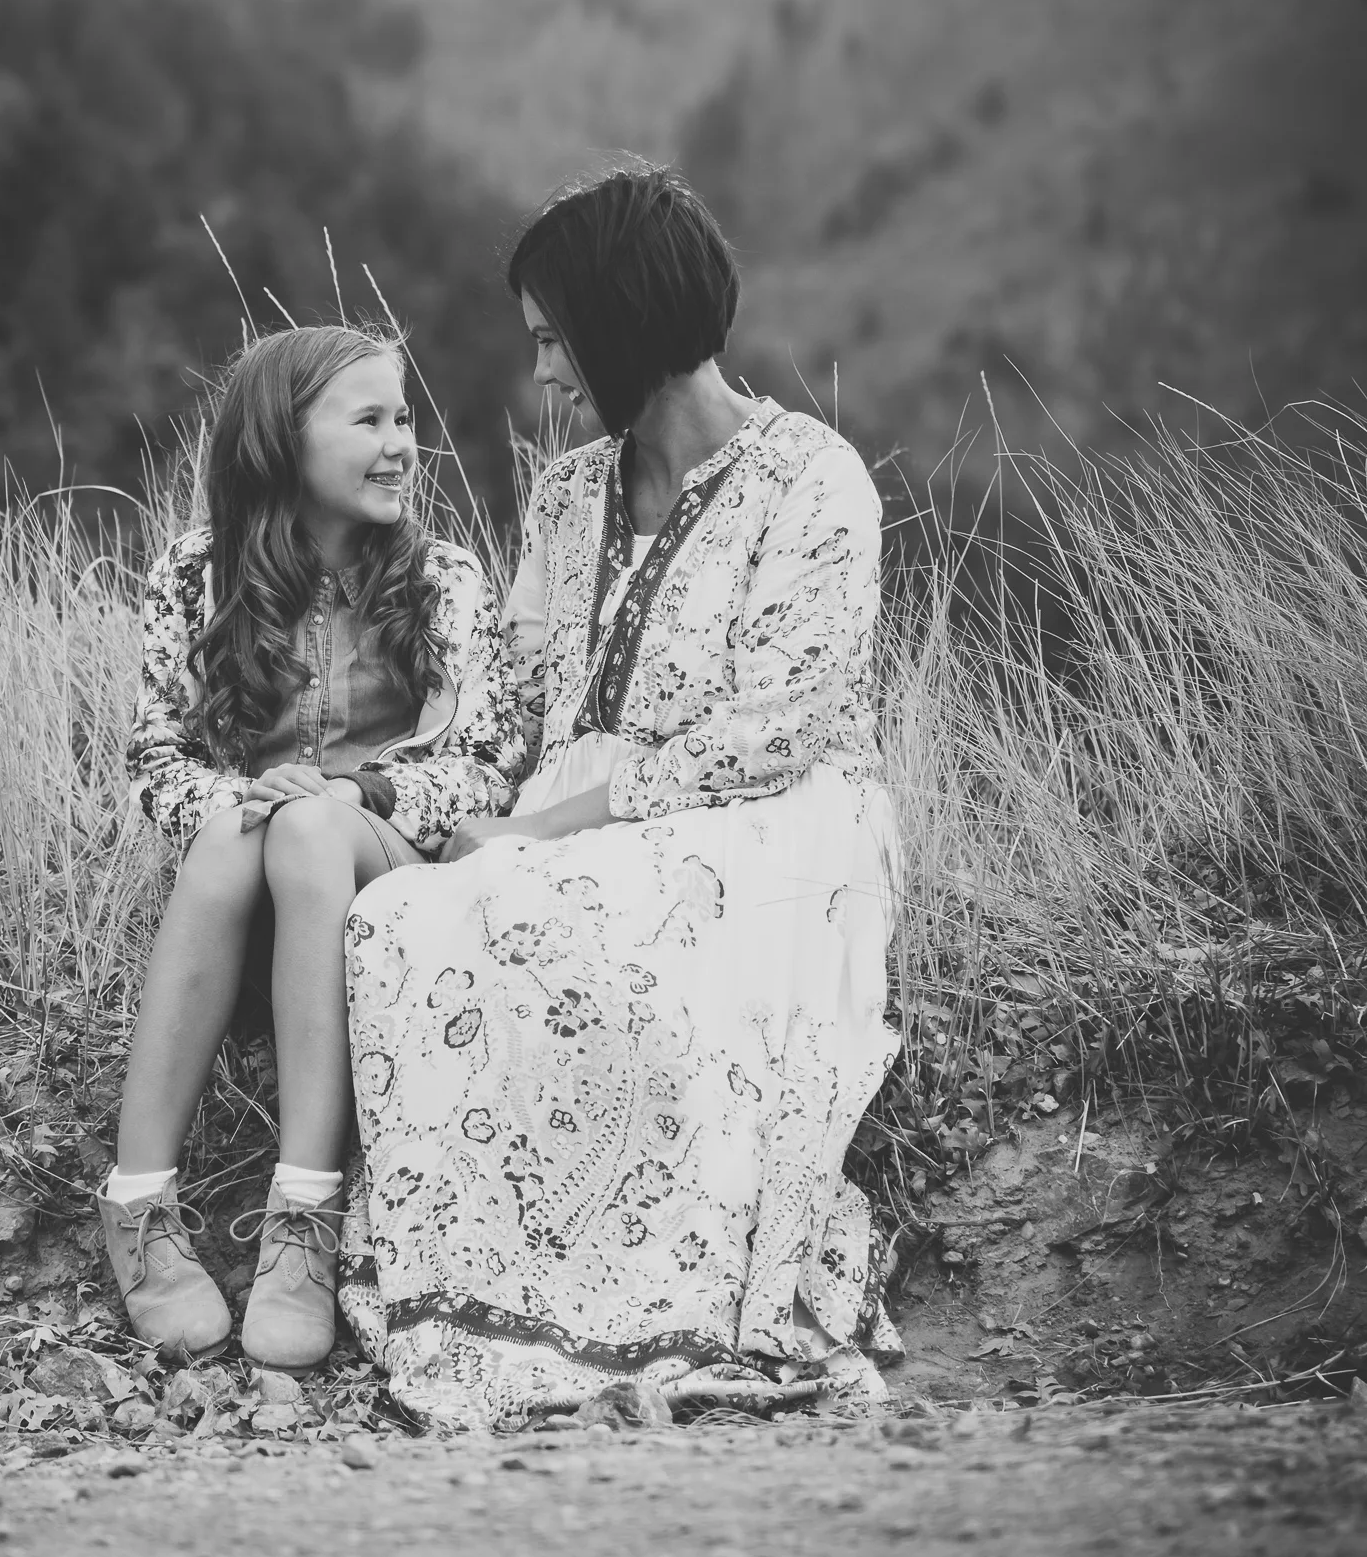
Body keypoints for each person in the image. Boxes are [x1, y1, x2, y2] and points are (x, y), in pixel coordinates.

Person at [340, 165, 901, 1428]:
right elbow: (508, 713)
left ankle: (646, 1308)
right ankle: (474, 1294)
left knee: (563, 915)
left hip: (770, 831)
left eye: (555, 338)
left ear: (625, 322)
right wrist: (380, 789)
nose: (541, 373)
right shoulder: (567, 491)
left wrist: (534, 832)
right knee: (399, 920)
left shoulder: (814, 481)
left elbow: (767, 737)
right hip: (571, 821)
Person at [100, 324, 518, 1369]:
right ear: (282, 441)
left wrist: (353, 789)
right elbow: (155, 756)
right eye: (367, 420)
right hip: (246, 887)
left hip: (390, 874)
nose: (401, 444)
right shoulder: (196, 574)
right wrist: (247, 798)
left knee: (311, 825)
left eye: (404, 418)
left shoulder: (445, 579)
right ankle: (138, 1205)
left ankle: (304, 1218)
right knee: (240, 833)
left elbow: (488, 763)